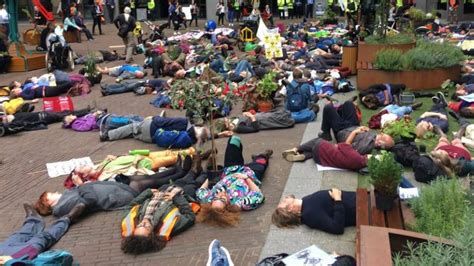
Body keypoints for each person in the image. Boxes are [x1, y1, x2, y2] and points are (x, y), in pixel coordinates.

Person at [196, 136, 272, 226]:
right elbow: (258, 194)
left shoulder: (209, 198)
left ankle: (244, 159)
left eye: (216, 198)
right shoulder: (240, 203)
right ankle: (263, 156)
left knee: (234, 140)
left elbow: (200, 192)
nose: (220, 195)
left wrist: (210, 177)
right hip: (251, 173)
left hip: (231, 169)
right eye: (222, 200)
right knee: (262, 162)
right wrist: (246, 178)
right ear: (227, 206)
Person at [120, 175, 203, 254]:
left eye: (139, 225)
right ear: (152, 234)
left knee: (184, 178)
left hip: (162, 190)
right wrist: (176, 198)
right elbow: (190, 216)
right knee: (195, 182)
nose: (144, 222)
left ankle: (193, 170)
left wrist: (146, 193)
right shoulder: (167, 227)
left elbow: (130, 206)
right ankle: (204, 172)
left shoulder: (131, 221)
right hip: (182, 194)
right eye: (146, 227)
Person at [0, 204, 83, 264]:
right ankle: (67, 219)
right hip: (17, 257)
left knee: (20, 235)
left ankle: (33, 218)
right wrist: (10, 261)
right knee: (42, 238)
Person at [272, 188, 355, 235]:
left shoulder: (305, 201)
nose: (283, 199)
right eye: (282, 202)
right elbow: (337, 228)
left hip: (358, 198)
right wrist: (337, 199)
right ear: (289, 209)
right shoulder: (309, 215)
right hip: (359, 208)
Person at [102, 115, 212, 149]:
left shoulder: (184, 122)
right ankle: (109, 126)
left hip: (151, 128)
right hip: (152, 138)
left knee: (132, 125)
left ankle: (108, 133)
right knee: (133, 127)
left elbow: (162, 121)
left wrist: (155, 117)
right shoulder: (190, 140)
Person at [282, 137, 367, 170]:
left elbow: (342, 145)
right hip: (320, 160)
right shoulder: (359, 165)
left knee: (317, 141)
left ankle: (296, 149)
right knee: (314, 150)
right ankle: (304, 156)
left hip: (322, 150)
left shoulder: (356, 157)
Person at [0, 108, 91, 137]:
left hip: (43, 114)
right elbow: (19, 126)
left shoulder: (16, 115)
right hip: (44, 117)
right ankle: (86, 112)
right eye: (4, 118)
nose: (4, 117)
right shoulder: (16, 121)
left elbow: (27, 106)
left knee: (65, 112)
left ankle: (86, 111)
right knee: (65, 114)